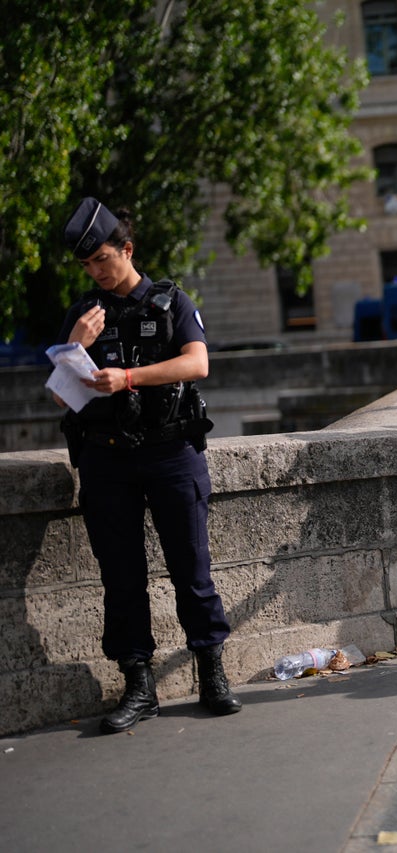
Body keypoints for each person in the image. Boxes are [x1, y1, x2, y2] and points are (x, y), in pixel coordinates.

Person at [54, 198, 240, 734]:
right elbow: (61, 400)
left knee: (192, 568)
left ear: (127, 249)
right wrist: (75, 348)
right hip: (106, 457)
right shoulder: (83, 314)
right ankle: (139, 685)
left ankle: (211, 673)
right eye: (87, 265)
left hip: (169, 452)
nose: (96, 272)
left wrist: (130, 379)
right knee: (121, 574)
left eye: (103, 260)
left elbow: (198, 362)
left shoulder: (171, 301)